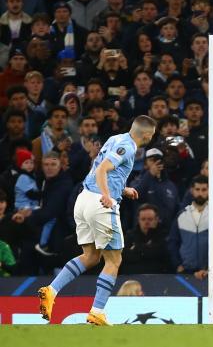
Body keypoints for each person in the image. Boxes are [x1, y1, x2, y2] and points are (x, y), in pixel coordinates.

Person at [37, 115, 157, 326]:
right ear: (146, 134)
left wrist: (122, 189)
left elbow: (98, 164)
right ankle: (97, 311)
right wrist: (107, 194)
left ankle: (51, 290)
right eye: (152, 134)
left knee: (91, 256)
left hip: (83, 200)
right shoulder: (128, 147)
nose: (151, 137)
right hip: (100, 204)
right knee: (114, 260)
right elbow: (103, 169)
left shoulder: (114, 139)